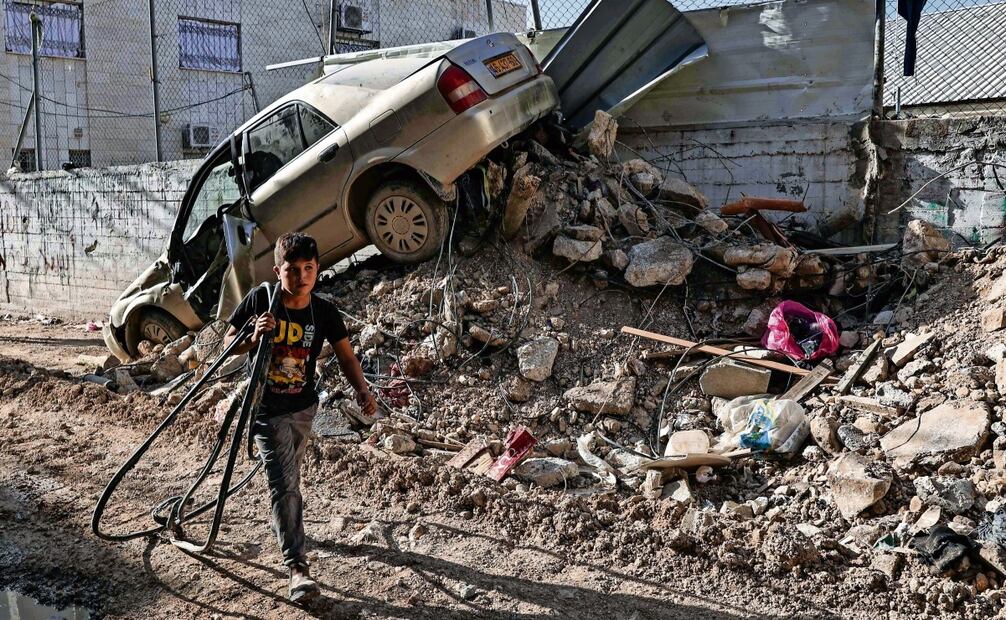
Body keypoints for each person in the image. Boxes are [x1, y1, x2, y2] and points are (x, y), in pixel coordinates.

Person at [224, 232, 377, 602]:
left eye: (308, 268)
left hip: (304, 408)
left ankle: (287, 525)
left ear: (317, 269)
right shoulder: (261, 300)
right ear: (278, 270)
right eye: (292, 269)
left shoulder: (323, 312)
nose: (301, 276)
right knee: (285, 484)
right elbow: (228, 344)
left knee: (289, 477)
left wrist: (362, 390)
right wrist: (253, 337)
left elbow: (346, 356)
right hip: (267, 408)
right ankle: (297, 567)